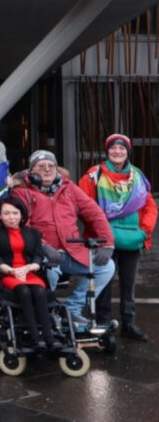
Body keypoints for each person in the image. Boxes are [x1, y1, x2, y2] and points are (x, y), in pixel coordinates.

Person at [10, 150, 114, 327]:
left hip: (71, 251)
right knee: (48, 272)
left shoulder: (69, 187)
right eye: (41, 166)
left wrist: (107, 243)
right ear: (31, 171)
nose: (47, 169)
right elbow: (21, 224)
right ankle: (46, 312)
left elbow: (94, 213)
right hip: (41, 253)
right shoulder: (21, 192)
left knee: (106, 268)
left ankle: (72, 310)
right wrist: (42, 246)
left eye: (51, 166)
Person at [78, 134, 155, 341]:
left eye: (122, 148)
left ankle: (128, 324)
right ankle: (103, 323)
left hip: (132, 238)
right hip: (104, 241)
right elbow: (83, 205)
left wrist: (145, 231)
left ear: (128, 151)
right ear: (107, 151)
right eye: (113, 148)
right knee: (104, 281)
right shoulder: (94, 175)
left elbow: (149, 206)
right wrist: (99, 232)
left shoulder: (137, 176)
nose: (117, 152)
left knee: (129, 284)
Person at [0, 196, 62, 353]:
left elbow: (38, 256)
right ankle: (36, 339)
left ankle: (49, 338)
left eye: (15, 213)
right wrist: (12, 270)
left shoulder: (33, 232)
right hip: (7, 273)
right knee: (24, 291)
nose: (11, 217)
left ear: (21, 214)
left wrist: (27, 269)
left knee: (40, 291)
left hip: (29, 271)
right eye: (6, 213)